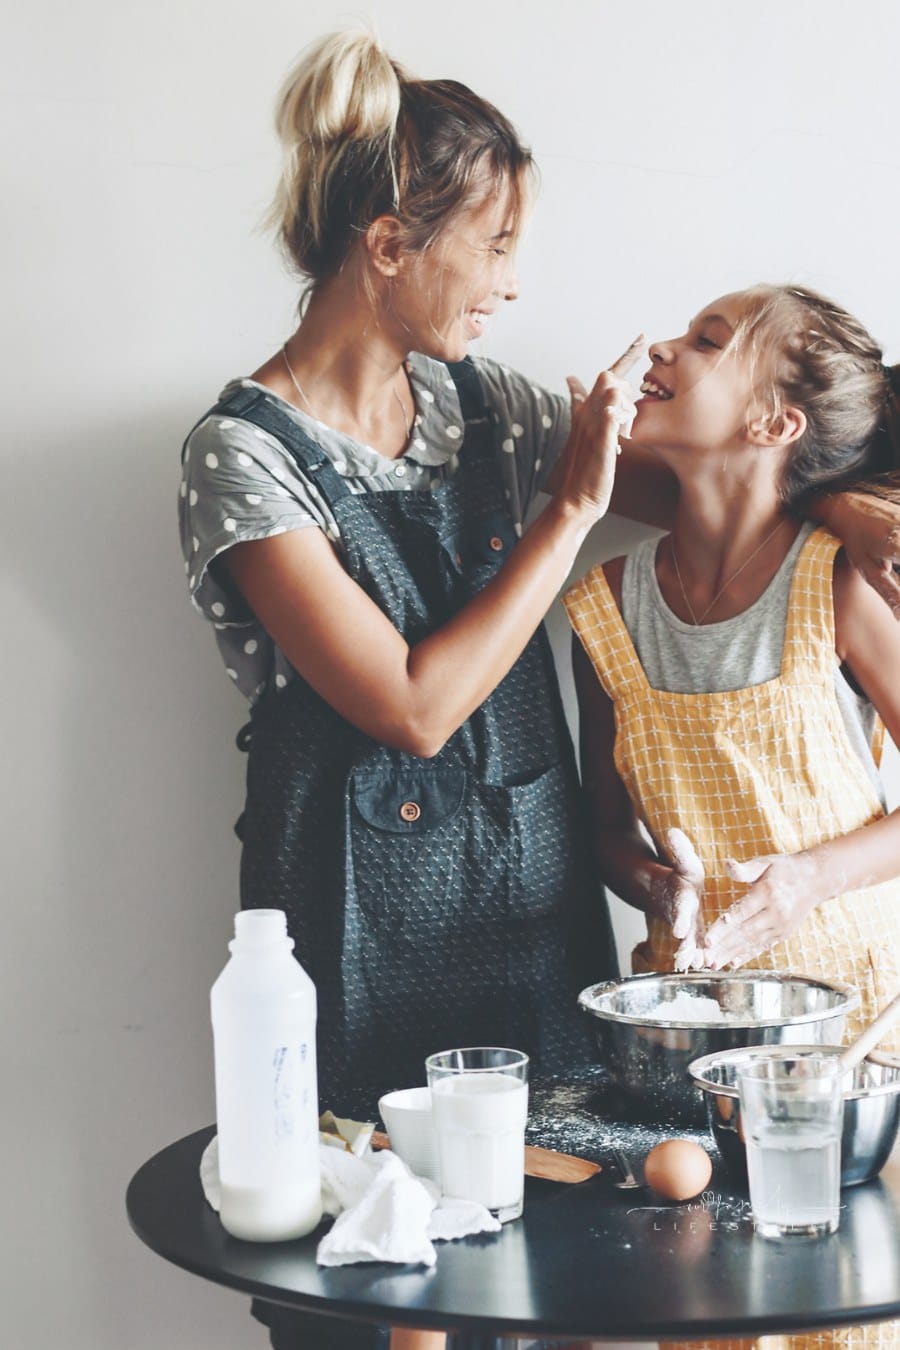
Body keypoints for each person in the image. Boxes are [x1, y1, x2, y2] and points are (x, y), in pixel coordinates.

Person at [179, 23, 900, 1350]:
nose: (517, 284)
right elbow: (411, 704)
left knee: (557, 1291)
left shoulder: (490, 410)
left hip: (537, 942)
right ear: (391, 247)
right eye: (495, 245)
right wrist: (567, 511)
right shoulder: (240, 458)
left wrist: (858, 511)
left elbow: (730, 475)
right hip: (353, 956)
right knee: (371, 1300)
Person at [566, 283, 900, 1350]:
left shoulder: (837, 582)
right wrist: (655, 886)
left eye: (707, 339)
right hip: (695, 1043)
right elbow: (603, 830)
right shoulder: (603, 607)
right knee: (703, 1320)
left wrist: (805, 879)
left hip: (861, 1041)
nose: (662, 343)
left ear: (774, 423)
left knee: (845, 1324)